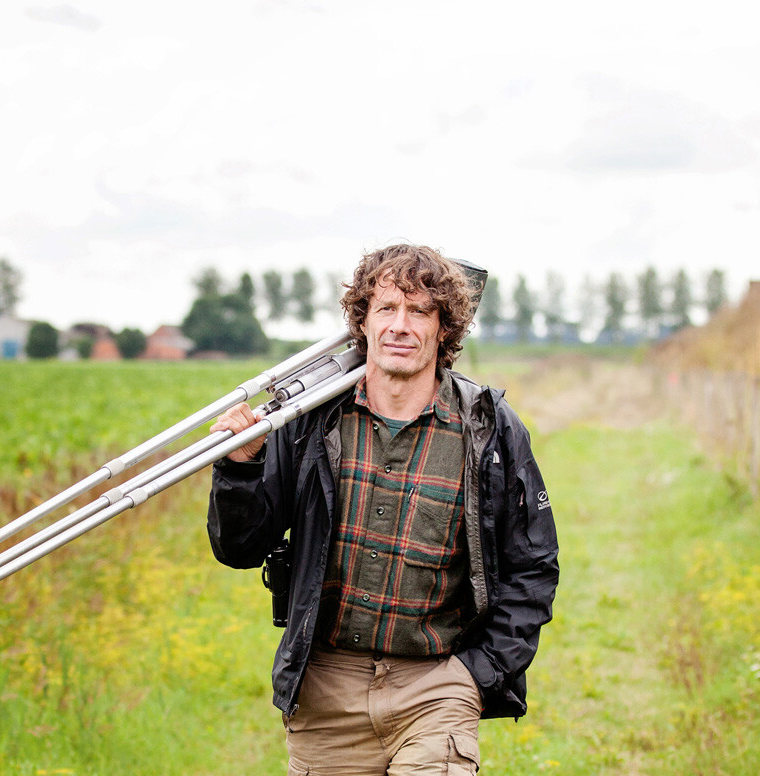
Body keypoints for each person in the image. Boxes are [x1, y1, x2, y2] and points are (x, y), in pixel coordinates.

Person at [206, 244, 559, 775]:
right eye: (387, 308)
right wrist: (239, 467)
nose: (401, 325)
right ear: (363, 322)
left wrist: (478, 673)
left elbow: (533, 567)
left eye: (420, 311)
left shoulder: (489, 428)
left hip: (437, 688)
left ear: (445, 330)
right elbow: (239, 548)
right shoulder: (311, 423)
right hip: (326, 691)